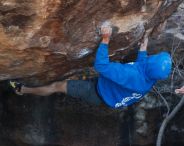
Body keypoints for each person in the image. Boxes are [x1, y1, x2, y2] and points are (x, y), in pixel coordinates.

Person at [10, 23, 172, 109]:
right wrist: (144, 45)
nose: (152, 55)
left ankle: (22, 90)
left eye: (154, 57)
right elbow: (143, 65)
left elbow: (101, 66)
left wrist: (106, 38)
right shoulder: (150, 77)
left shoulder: (130, 74)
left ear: (152, 64)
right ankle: (84, 76)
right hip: (111, 90)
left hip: (96, 93)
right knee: (85, 73)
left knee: (57, 86)